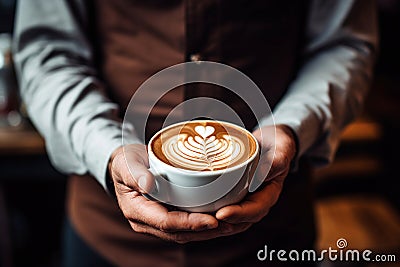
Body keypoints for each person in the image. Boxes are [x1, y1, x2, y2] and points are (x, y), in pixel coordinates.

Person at [13, 0, 377, 266]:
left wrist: (292, 128)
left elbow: (343, 44)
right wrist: (106, 150)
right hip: (105, 237)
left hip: (273, 239)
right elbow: (49, 51)